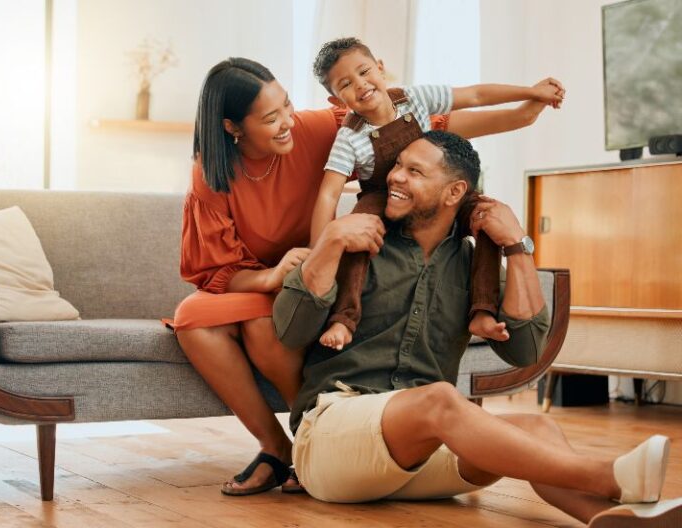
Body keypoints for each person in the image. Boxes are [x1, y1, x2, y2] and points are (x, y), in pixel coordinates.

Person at [169, 56, 562, 497]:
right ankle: (281, 445)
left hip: (322, 269)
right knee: (194, 319)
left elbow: (415, 125)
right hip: (284, 274)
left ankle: (309, 441)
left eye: (287, 106)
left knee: (264, 325)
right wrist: (282, 271)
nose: (286, 123)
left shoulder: (317, 129)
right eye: (270, 118)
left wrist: (524, 111)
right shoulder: (212, 175)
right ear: (232, 128)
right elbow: (215, 270)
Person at [273, 130, 681, 527]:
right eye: (398, 166)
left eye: (415, 172)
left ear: (454, 192)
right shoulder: (357, 241)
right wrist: (329, 243)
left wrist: (517, 247)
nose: (396, 177)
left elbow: (524, 353)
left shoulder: (475, 266)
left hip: (422, 455)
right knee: (442, 400)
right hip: (333, 439)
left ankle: (614, 519)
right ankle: (608, 476)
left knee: (538, 427)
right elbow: (290, 331)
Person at [308, 37, 564, 352]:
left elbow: (476, 95)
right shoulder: (350, 137)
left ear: (380, 68)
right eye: (346, 84)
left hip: (435, 182)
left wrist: (531, 92)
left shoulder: (414, 98)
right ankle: (343, 318)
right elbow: (327, 196)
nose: (360, 85)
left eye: (364, 72)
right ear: (337, 101)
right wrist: (319, 250)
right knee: (357, 235)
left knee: (487, 216)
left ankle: (482, 311)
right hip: (382, 193)